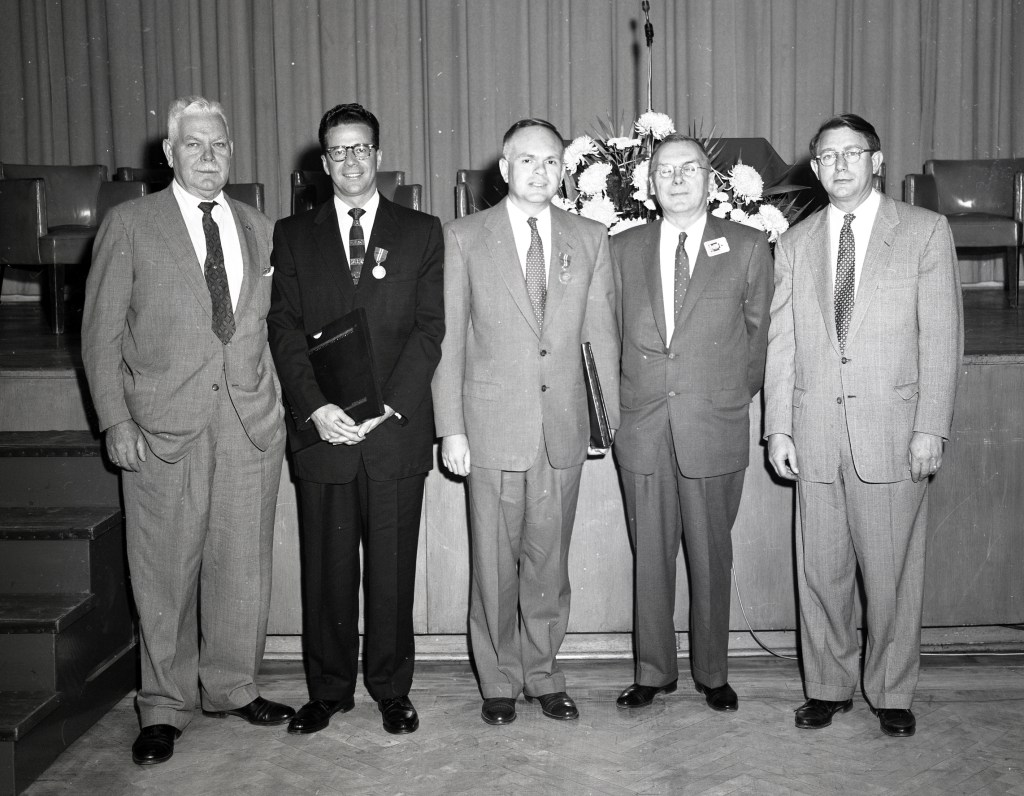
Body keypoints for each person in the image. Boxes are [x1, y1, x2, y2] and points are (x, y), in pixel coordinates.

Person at [82, 96, 292, 766]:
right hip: (161, 429)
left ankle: (232, 687)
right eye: (194, 145)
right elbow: (100, 336)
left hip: (248, 425)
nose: (208, 157)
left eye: (220, 145)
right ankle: (163, 706)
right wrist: (115, 418)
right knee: (163, 573)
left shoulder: (259, 227)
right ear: (168, 153)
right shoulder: (130, 224)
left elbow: (267, 331)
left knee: (242, 570)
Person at [765, 113, 963, 737]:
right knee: (820, 573)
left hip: (893, 433)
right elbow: (782, 343)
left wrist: (931, 425)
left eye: (854, 154)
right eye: (828, 156)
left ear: (877, 161)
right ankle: (827, 687)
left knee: (893, 578)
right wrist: (778, 427)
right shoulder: (795, 243)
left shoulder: (925, 232)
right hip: (816, 432)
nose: (840, 166)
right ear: (815, 167)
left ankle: (891, 692)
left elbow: (942, 337)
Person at [432, 118, 619, 726]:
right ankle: (498, 681)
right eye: (528, 161)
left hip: (561, 427)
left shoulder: (590, 237)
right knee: (493, 561)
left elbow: (601, 337)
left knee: (548, 563)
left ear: (563, 170)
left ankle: (543, 673)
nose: (541, 172)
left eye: (551, 162)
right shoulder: (463, 237)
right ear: (504, 167)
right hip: (490, 428)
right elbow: (449, 341)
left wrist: (602, 424)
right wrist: (451, 428)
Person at [267, 103, 443, 736]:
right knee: (328, 570)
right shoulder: (292, 235)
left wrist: (384, 406)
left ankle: (392, 689)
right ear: (322, 161)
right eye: (337, 151)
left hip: (392, 431)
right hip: (325, 434)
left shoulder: (421, 231)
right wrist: (317, 409)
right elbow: (283, 331)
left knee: (392, 571)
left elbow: (430, 330)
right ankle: (330, 690)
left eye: (360, 148)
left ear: (378, 154)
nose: (349, 160)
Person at [611, 135, 773, 713]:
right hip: (643, 426)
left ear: (711, 180)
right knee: (649, 557)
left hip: (714, 422)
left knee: (711, 556)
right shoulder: (622, 248)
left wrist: (726, 395)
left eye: (689, 169)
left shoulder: (749, 246)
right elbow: (606, 334)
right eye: (664, 171)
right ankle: (653, 672)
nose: (676, 179)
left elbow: (760, 341)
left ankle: (712, 672)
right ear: (648, 184)